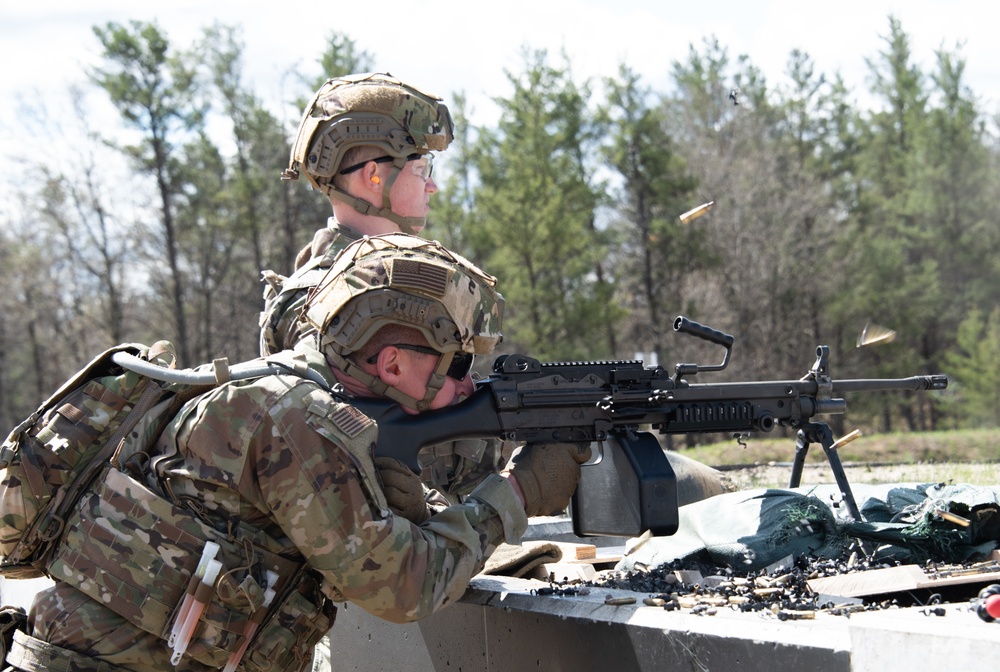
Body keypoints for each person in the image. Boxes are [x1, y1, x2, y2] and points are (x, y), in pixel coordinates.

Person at [3, 234, 590, 672]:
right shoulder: (296, 420)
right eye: (459, 363)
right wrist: (516, 495)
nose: (468, 384)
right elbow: (403, 588)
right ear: (390, 363)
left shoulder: (280, 396)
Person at [264, 72, 504, 502]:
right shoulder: (340, 298)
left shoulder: (368, 281)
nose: (432, 184)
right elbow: (340, 469)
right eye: (421, 168)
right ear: (374, 176)